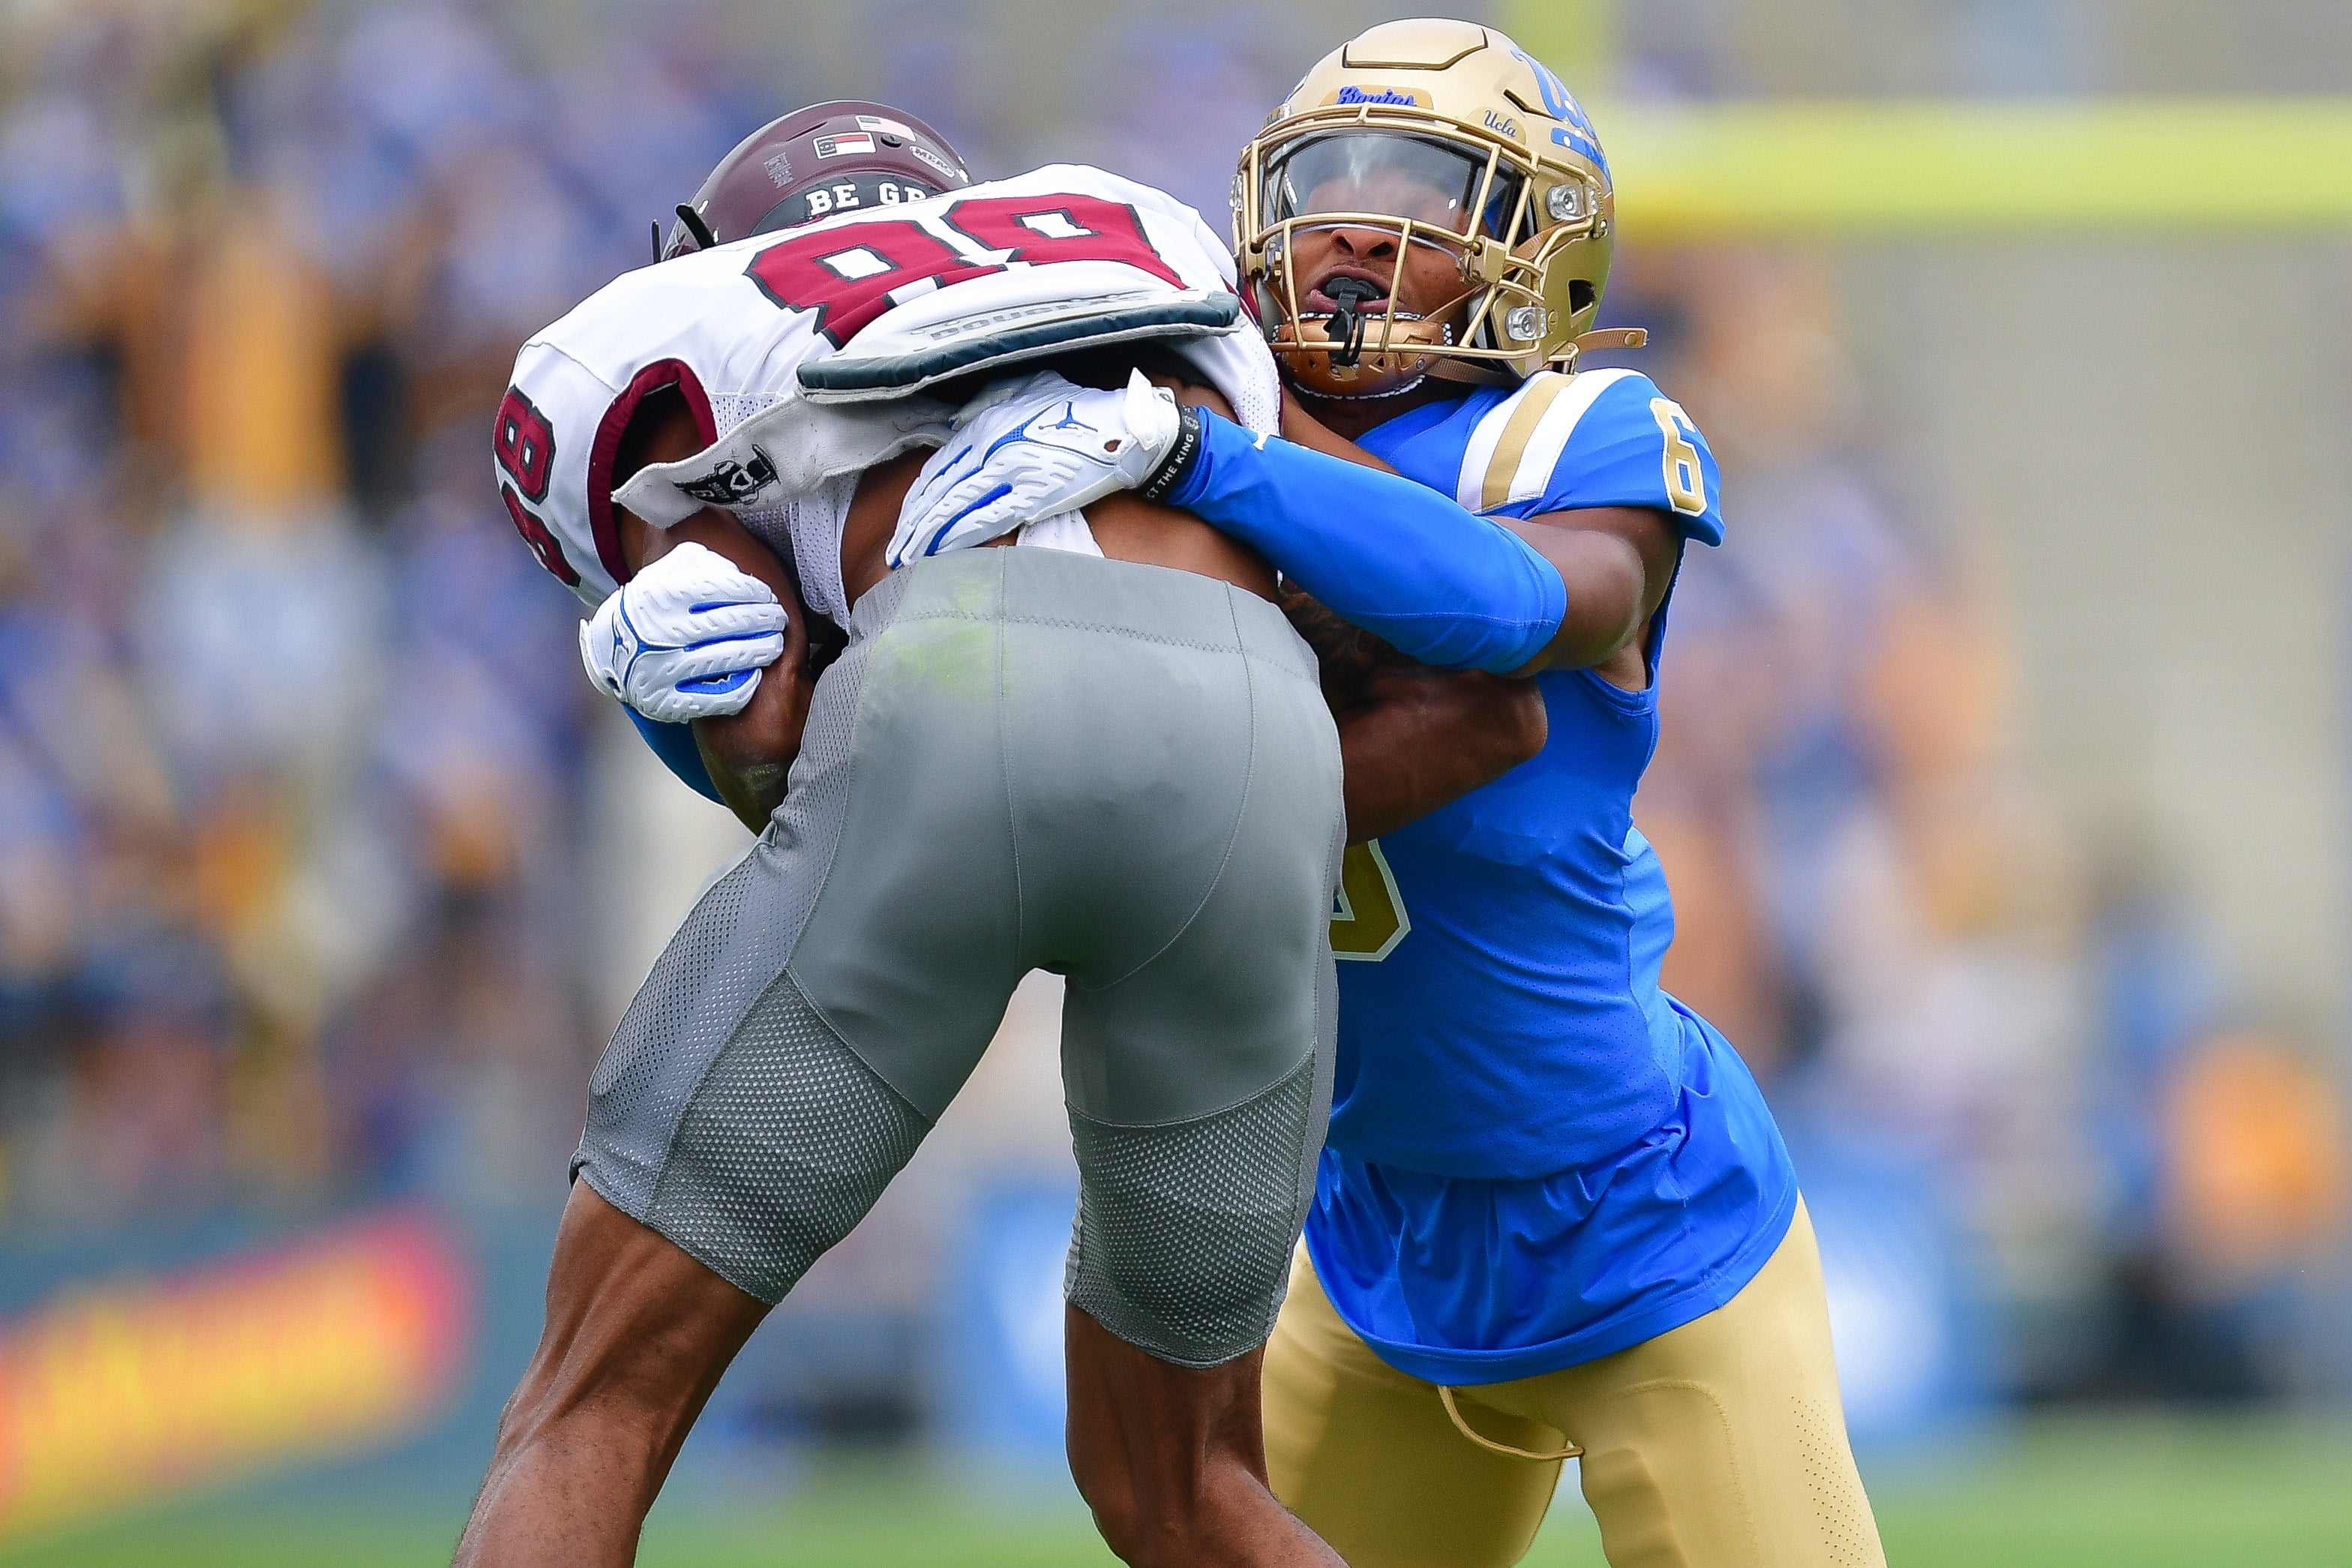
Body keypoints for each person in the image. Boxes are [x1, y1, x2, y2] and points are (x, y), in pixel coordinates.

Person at [461, 101, 1570, 1568]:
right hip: (1259, 734)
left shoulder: (689, 338)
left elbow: (773, 749)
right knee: (1188, 1489)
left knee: (586, 1407)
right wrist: (1193, 465)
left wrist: (677, 701)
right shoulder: (1148, 256)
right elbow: (1498, 655)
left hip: (954, 691)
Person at [890, 21, 1889, 1568]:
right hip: (1371, 1245)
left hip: (1646, 1231)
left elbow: (1507, 605)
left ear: (1540, 247)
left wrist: (1202, 448)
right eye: (1322, 183)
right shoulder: (1162, 473)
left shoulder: (1567, 435)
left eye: (1420, 186)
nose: (1353, 225)